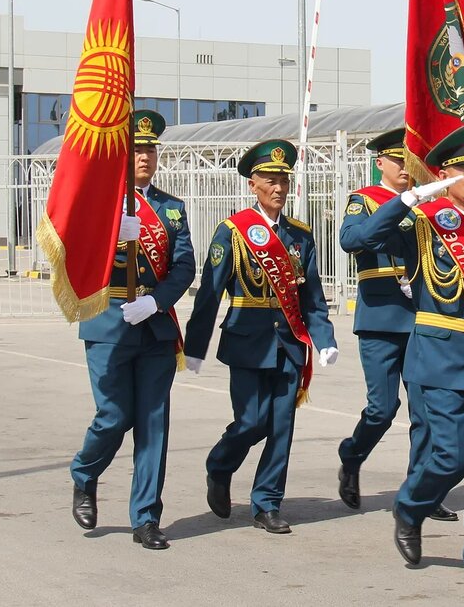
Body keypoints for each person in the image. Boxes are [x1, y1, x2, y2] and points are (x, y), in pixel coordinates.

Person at [355, 122, 464, 586]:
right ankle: (409, 509)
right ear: (445, 174)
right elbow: (359, 240)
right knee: (451, 459)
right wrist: (408, 200)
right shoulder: (423, 223)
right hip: (438, 355)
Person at [183, 139, 338, 535]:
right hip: (246, 340)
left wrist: (324, 339)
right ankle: (219, 465)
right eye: (271, 180)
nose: (279, 188)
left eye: (284, 179)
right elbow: (210, 293)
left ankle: (267, 502)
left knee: (282, 424)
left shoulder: (300, 236)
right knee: (251, 421)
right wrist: (195, 347)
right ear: (253, 184)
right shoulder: (233, 232)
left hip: (288, 343)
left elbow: (312, 297)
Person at [70, 110, 195, 550]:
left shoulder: (172, 208)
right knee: (114, 416)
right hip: (108, 323)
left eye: (150, 149)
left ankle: (145, 518)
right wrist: (110, 239)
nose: (144, 156)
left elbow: (184, 266)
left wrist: (156, 302)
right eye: (136, 149)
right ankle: (85, 474)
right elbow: (76, 256)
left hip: (154, 326)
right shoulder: (98, 205)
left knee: (153, 423)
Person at [336, 127, 457, 522]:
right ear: (380, 164)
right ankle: (352, 456)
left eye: (409, 160)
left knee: (424, 411)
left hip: (420, 316)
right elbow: (352, 241)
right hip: (381, 317)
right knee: (382, 409)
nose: (405, 167)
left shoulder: (426, 204)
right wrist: (401, 205)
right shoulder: (365, 200)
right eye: (396, 160)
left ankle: (420, 490)